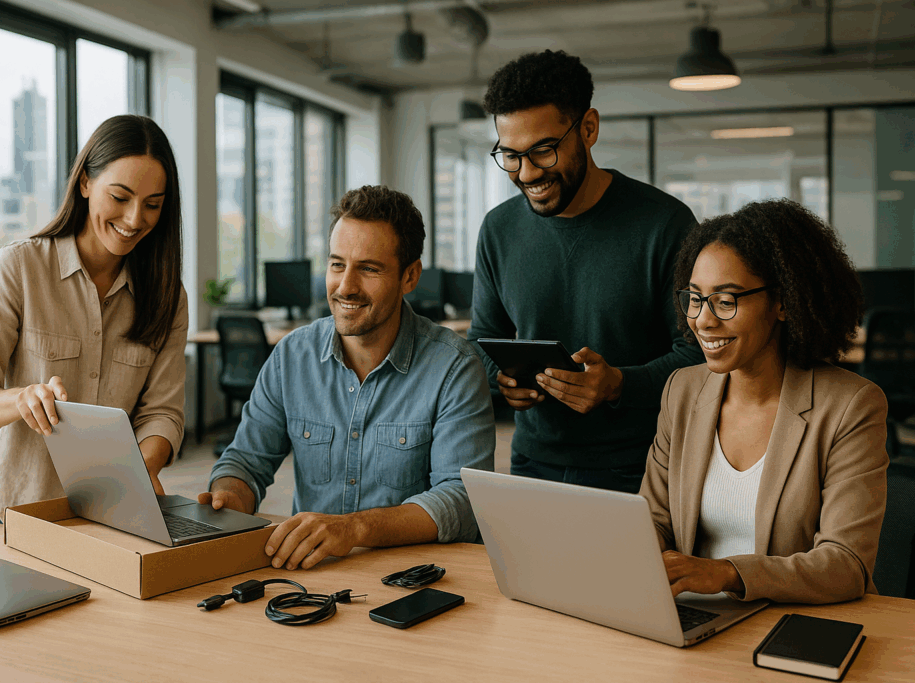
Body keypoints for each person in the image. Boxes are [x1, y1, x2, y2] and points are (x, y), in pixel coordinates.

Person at [200, 185, 495, 570]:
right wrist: (229, 498)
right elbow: (245, 461)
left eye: (369, 269)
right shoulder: (292, 356)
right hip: (312, 576)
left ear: (410, 276)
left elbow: (461, 499)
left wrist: (354, 529)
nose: (345, 287)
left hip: (413, 581)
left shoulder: (454, 367)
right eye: (337, 264)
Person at [470, 50, 703, 492]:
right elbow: (481, 337)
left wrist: (618, 385)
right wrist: (501, 380)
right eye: (510, 155)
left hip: (644, 466)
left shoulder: (665, 224)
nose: (527, 173)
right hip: (531, 463)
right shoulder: (498, 229)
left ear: (589, 129)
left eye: (543, 150)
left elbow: (700, 355)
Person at [641, 198, 888, 604]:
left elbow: (846, 565)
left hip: (797, 624)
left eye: (726, 300)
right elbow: (653, 519)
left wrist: (726, 574)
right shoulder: (682, 390)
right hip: (694, 615)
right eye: (696, 297)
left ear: (784, 302)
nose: (703, 319)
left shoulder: (851, 406)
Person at [0, 115, 187, 523]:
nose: (133, 219)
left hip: (107, 511)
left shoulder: (167, 296)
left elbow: (163, 412)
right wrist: (18, 400)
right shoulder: (19, 267)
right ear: (86, 183)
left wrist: (143, 468)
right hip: (13, 506)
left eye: (152, 205)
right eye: (120, 197)